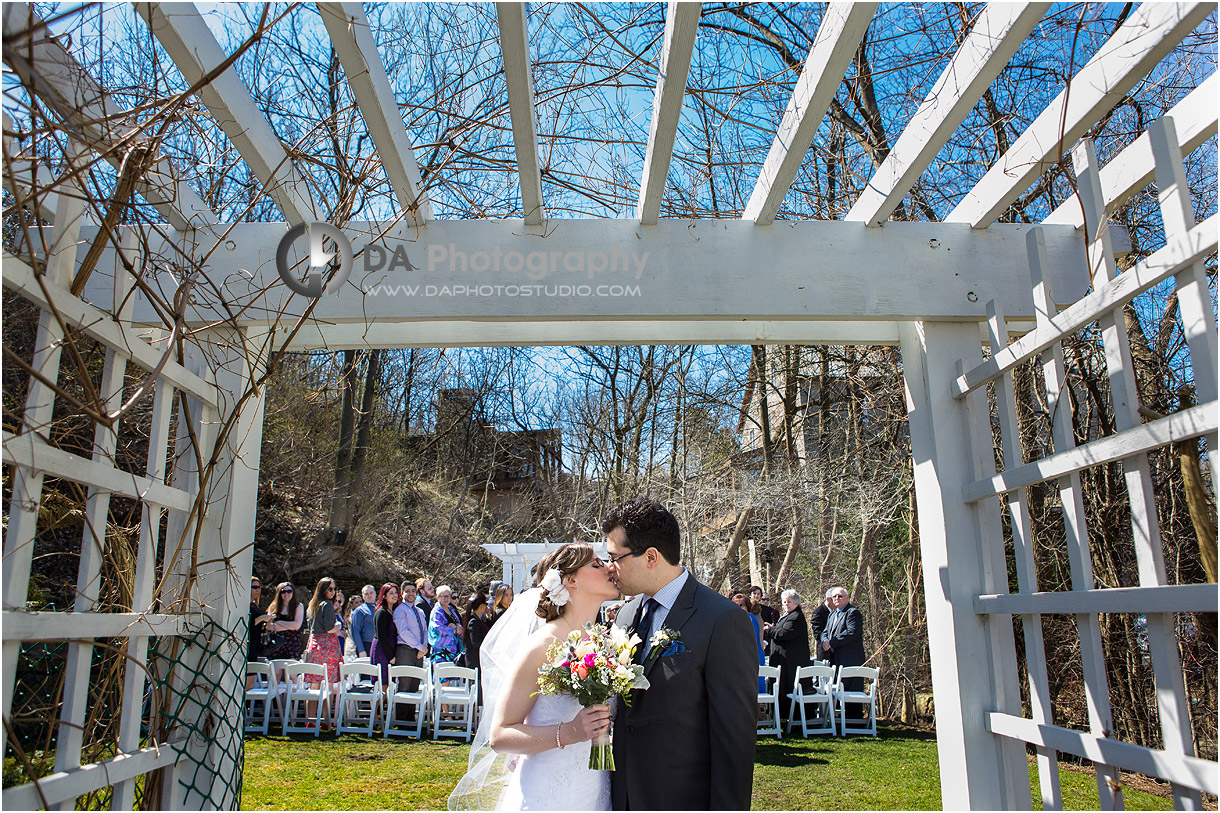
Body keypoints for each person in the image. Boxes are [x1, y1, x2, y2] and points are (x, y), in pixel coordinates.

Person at [603, 496, 757, 810]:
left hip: (683, 798)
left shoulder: (722, 619)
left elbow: (734, 741)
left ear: (650, 557)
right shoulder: (625, 616)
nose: (609, 568)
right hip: (622, 797)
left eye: (615, 557)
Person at [448, 543, 618, 811]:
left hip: (595, 787)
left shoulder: (602, 642)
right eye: (597, 564)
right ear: (570, 580)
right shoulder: (542, 645)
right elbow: (500, 735)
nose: (609, 567)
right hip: (549, 793)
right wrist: (570, 732)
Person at [764, 588, 811, 728]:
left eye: (789, 602)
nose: (786, 604)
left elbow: (784, 633)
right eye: (784, 602)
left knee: (789, 687)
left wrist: (770, 630)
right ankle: (782, 716)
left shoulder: (796, 616)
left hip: (792, 660)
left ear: (796, 603)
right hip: (782, 659)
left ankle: (792, 717)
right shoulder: (786, 615)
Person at [819, 586, 866, 718]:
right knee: (839, 688)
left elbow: (851, 632)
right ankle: (841, 719)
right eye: (834, 597)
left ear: (847, 598)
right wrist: (824, 641)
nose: (837, 599)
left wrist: (831, 642)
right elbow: (825, 632)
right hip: (835, 658)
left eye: (840, 596)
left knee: (851, 689)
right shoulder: (833, 614)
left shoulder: (852, 613)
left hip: (850, 658)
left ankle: (854, 718)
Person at [303, 577, 343, 726]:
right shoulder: (327, 605)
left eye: (334, 589)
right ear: (323, 590)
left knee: (314, 684)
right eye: (330, 589)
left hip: (315, 645)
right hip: (328, 646)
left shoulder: (312, 605)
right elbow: (330, 628)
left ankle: (311, 719)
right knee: (329, 684)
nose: (333, 592)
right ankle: (326, 719)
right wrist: (338, 626)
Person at [394, 581, 429, 698]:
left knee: (414, 687)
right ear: (402, 593)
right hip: (405, 651)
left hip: (419, 653)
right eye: (407, 591)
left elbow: (424, 631)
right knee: (404, 687)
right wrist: (419, 646)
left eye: (413, 591)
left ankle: (411, 716)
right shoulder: (400, 610)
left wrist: (423, 648)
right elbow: (403, 632)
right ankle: (401, 716)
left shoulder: (420, 611)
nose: (411, 594)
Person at [265, 582, 305, 660]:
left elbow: (297, 625)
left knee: (291, 671)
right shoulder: (273, 607)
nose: (286, 594)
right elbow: (269, 626)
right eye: (283, 591)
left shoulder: (298, 606)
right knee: (276, 671)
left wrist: (278, 623)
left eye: (289, 591)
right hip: (276, 644)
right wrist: (290, 626)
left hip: (292, 645)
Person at [370, 583, 399, 684]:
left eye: (396, 593)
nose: (394, 595)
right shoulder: (381, 612)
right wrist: (390, 656)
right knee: (382, 683)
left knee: (391, 682)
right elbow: (381, 637)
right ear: (384, 596)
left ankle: (387, 700)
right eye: (391, 593)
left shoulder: (394, 611)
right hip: (382, 650)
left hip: (392, 648)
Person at [429, 585, 465, 664]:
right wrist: (453, 630)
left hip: (454, 652)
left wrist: (459, 628)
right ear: (437, 597)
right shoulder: (437, 611)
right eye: (443, 596)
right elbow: (437, 629)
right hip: (441, 652)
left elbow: (459, 625)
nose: (446, 599)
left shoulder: (451, 610)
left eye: (448, 596)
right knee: (443, 675)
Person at [463, 591, 492, 673]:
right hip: (475, 662)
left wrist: (489, 617)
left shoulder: (480, 620)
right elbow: (475, 642)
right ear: (482, 606)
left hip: (480, 662)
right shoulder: (473, 622)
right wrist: (487, 641)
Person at [248, 577, 272, 663]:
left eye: (259, 587)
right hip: (248, 643)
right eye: (254, 587)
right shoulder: (246, 605)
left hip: (256, 643)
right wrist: (262, 618)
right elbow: (248, 624)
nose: (257, 590)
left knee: (252, 672)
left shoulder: (255, 605)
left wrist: (266, 622)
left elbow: (257, 627)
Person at [350, 584, 377, 659]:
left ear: (375, 593)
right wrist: (361, 650)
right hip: (367, 645)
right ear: (362, 596)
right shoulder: (359, 611)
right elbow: (355, 631)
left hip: (379, 645)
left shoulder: (380, 608)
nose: (369, 595)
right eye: (366, 594)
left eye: (371, 593)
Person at [808, 588, 834, 657]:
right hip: (824, 651)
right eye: (834, 598)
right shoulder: (819, 612)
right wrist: (826, 641)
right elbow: (817, 632)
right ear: (828, 599)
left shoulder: (836, 612)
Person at [333, 588, 348, 656]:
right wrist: (339, 633)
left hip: (340, 642)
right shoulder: (328, 613)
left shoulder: (338, 613)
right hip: (332, 643)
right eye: (335, 600)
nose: (337, 603)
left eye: (339, 601)